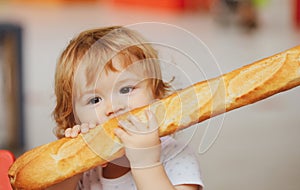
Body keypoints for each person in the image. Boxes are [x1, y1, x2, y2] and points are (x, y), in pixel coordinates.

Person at [48, 26, 204, 190]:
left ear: (157, 95)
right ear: (74, 118)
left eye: (126, 89)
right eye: (94, 100)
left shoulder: (175, 156)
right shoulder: (88, 169)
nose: (113, 108)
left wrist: (146, 163)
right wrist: (71, 167)